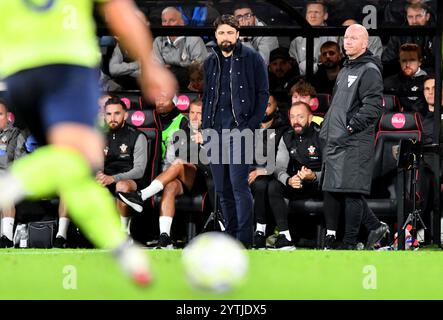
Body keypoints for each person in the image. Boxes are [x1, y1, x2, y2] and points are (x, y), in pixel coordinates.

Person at [0, 0, 177, 285]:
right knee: (77, 160)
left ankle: (121, 248)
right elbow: (119, 10)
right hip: (66, 65)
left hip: (19, 70)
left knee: (76, 171)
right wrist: (148, 63)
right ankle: (11, 185)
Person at [319, 24, 389, 250]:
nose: (347, 41)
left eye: (353, 38)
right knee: (343, 190)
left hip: (354, 140)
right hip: (338, 140)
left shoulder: (369, 70)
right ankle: (375, 227)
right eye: (345, 37)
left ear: (365, 43)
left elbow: (373, 107)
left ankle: (349, 243)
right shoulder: (346, 69)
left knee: (351, 192)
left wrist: (350, 128)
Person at [202, 14, 269, 248]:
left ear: (238, 34)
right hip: (215, 133)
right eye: (221, 32)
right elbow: (207, 97)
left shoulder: (252, 57)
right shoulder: (210, 61)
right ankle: (229, 238)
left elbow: (263, 93)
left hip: (240, 132)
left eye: (230, 32)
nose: (226, 37)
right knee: (221, 189)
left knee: (239, 187)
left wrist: (251, 125)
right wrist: (204, 128)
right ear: (215, 35)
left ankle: (244, 239)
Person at [118, 99, 211, 248]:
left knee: (179, 164)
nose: (194, 117)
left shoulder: (212, 132)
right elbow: (182, 156)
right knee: (170, 187)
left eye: (199, 114)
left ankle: (142, 196)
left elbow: (213, 161)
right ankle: (165, 238)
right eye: (192, 112)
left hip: (205, 180)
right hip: (185, 178)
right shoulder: (184, 131)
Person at [254, 101, 323, 250]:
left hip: (320, 184)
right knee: (274, 185)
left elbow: (333, 169)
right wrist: (289, 180)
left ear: (310, 118)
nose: (295, 121)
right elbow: (279, 166)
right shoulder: (287, 137)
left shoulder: (322, 135)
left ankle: (331, 238)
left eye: (300, 116)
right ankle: (285, 237)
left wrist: (314, 176)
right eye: (292, 117)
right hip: (297, 184)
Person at [96, 97, 149, 235]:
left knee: (122, 187)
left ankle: (124, 232)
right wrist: (98, 175)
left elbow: (139, 171)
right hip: (107, 179)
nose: (112, 118)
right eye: (109, 114)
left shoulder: (137, 136)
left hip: (131, 180)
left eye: (117, 113)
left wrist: (113, 178)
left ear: (125, 115)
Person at [249, 95, 289, 248]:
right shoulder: (248, 127)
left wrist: (263, 171)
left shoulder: (283, 129)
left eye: (267, 105)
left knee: (262, 184)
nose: (263, 109)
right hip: (247, 171)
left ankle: (260, 231)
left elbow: (282, 158)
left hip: (270, 173)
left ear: (275, 106)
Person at [153, 7, 208, 90]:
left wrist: (171, 68)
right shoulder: (158, 40)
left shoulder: (195, 39)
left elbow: (199, 70)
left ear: (182, 22)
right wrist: (186, 66)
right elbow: (157, 70)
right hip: (165, 86)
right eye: (164, 21)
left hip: (191, 86)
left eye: (172, 20)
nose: (167, 24)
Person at [0, 100, 27, 247]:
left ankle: (7, 237)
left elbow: (18, 162)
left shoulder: (16, 134)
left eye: (0, 114)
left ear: (8, 116)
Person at [289, 1, 338, 75]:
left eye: (316, 12)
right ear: (306, 15)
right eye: (310, 12)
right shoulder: (297, 40)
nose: (312, 15)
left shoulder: (334, 37)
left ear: (325, 16)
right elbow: (292, 64)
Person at [384, 43, 428, 115]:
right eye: (404, 60)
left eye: (412, 60)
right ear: (399, 62)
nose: (407, 65)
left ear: (420, 61)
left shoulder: (430, 82)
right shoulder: (388, 83)